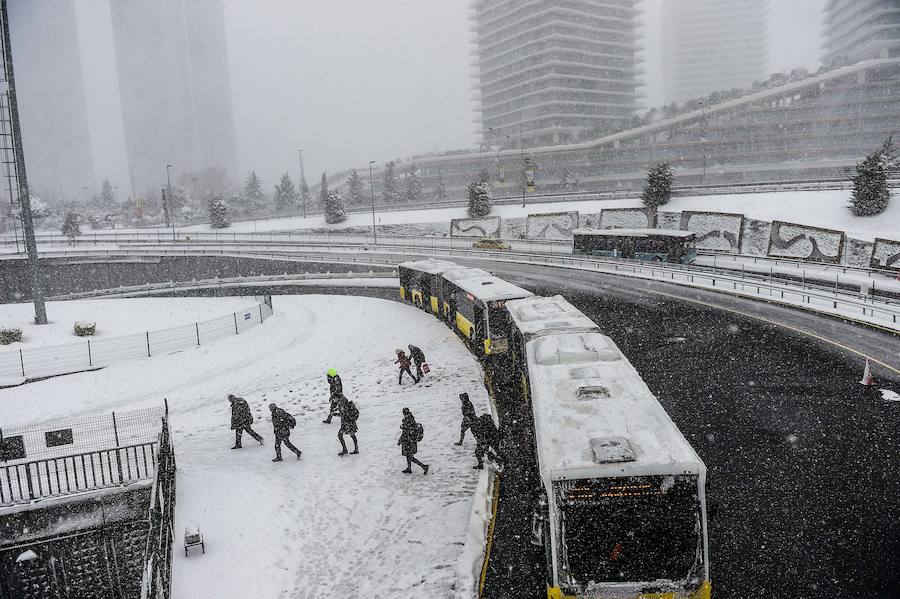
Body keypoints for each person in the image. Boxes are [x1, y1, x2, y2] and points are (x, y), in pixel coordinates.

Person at [397, 407, 428, 474]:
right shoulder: (410, 419)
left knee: (410, 457)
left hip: (409, 442)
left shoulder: (407, 421)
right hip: (411, 441)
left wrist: (400, 440)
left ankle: (424, 466)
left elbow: (405, 432)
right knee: (408, 456)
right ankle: (409, 468)